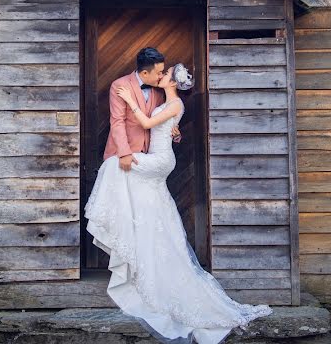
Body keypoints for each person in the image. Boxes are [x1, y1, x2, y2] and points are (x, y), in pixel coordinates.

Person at [85, 62, 272, 344]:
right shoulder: (169, 102)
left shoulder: (174, 103)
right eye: (160, 73)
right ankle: (136, 242)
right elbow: (165, 128)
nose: (161, 76)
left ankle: (115, 230)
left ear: (172, 81)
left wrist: (127, 101)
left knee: (112, 167)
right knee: (143, 198)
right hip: (159, 157)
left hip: (160, 162)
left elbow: (147, 123)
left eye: (165, 74)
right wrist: (175, 131)